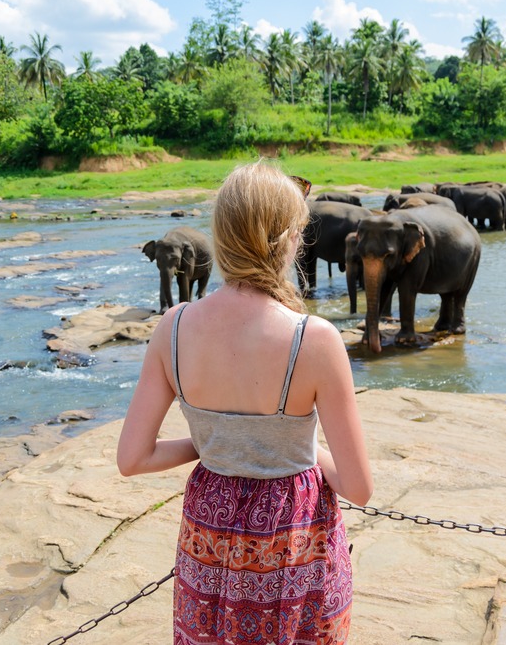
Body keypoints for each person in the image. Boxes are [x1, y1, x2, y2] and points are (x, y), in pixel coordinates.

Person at [118, 160, 373, 644]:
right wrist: (295, 448)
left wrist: (211, 441)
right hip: (293, 539)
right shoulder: (313, 339)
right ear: (288, 239)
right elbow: (358, 487)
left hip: (207, 535)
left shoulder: (171, 328)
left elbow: (132, 459)